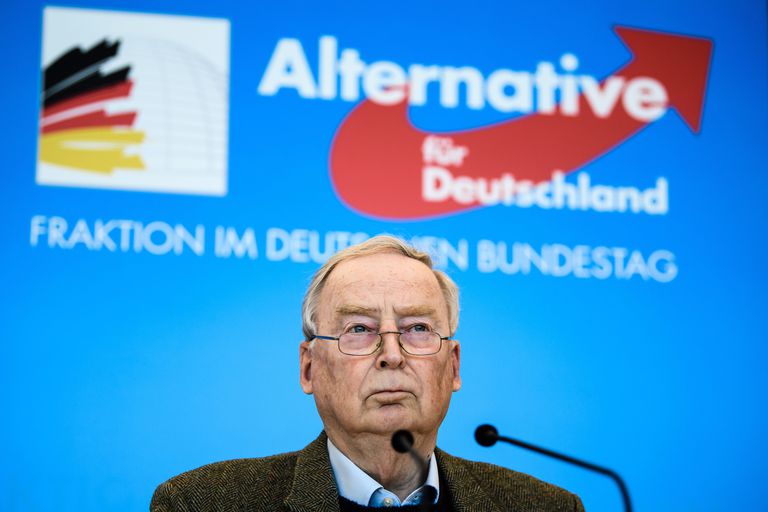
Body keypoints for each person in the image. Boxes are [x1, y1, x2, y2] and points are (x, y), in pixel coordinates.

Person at [151, 235, 585, 511]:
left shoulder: (547, 506)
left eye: (418, 328)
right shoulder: (201, 502)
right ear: (308, 368)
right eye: (359, 329)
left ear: (453, 366)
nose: (392, 355)